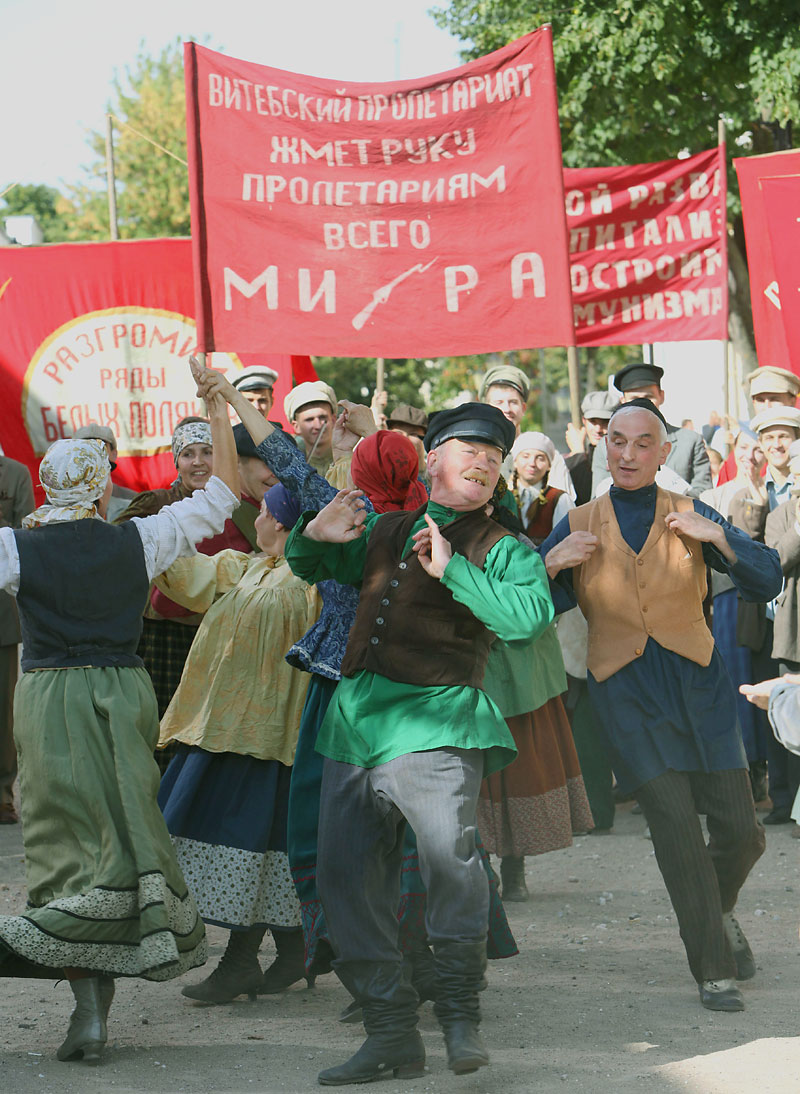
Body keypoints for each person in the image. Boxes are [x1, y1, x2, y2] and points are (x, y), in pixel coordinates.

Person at [285, 402, 555, 1082]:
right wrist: (315, 533)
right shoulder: (384, 528)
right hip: (356, 728)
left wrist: (453, 572)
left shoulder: (504, 548)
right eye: (469, 450)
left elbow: (528, 618)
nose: (484, 462)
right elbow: (312, 559)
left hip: (437, 724)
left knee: (452, 864)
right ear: (430, 460)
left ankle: (460, 1014)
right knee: (345, 882)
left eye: (494, 457)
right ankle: (390, 1033)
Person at [0, 366, 240, 1063]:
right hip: (125, 688)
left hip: (48, 696)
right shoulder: (141, 538)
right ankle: (121, 972)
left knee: (59, 842)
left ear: (46, 485)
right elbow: (222, 496)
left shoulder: (17, 547)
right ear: (102, 486)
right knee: (127, 833)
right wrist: (214, 408)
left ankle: (88, 1009)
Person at [541, 398, 782, 1013]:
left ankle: (719, 910)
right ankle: (713, 967)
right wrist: (547, 569)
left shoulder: (691, 510)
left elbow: (769, 578)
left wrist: (721, 537)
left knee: (741, 831)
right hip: (625, 690)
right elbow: (522, 608)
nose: (626, 454)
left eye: (641, 443)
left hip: (697, 684)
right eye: (616, 441)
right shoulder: (578, 520)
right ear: (603, 448)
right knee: (676, 826)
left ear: (664, 450)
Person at [155, 483, 322, 1003]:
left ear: (286, 523)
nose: (258, 521)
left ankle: (243, 961)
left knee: (261, 846)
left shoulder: (314, 580)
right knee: (257, 845)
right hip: (224, 727)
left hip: (275, 735)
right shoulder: (248, 565)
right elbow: (187, 576)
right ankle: (291, 949)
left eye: (266, 513)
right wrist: (155, 534)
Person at [729, 406, 800, 824]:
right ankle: (780, 796)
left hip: (796, 616)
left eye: (785, 436)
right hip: (766, 616)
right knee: (771, 696)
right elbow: (752, 551)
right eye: (769, 437)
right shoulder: (752, 491)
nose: (777, 445)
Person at [700, 429, 770, 800]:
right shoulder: (712, 496)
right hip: (729, 600)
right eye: (744, 448)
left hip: (770, 600)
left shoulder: (775, 491)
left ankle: (768, 771)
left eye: (758, 449)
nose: (751, 455)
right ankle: (746, 771)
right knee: (738, 682)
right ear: (733, 451)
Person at [592, 362, 711, 497]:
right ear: (623, 400)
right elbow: (597, 497)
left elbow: (705, 495)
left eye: (649, 397)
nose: (644, 404)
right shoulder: (605, 446)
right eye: (634, 398)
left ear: (661, 396)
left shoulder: (690, 441)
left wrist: (672, 498)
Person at [0, 452, 34, 824]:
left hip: (0, 611)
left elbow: (22, 533)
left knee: (2, 705)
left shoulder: (15, 473)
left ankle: (2, 792)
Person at [510, 432, 575, 544]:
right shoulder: (505, 497)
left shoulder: (559, 499)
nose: (532, 463)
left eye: (540, 458)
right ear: (515, 461)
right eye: (526, 456)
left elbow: (568, 542)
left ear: (549, 465)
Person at [564, 390, 619, 504]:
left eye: (605, 422)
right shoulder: (573, 458)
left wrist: (578, 452)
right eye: (593, 421)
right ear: (584, 421)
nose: (598, 429)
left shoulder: (624, 457)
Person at [73, 424, 136, 521]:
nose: (93, 452)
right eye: (84, 447)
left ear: (114, 454)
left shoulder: (133, 499)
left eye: (100, 446)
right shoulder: (58, 499)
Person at [284, 380, 338, 476]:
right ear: (296, 427)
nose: (317, 426)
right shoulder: (288, 467)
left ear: (333, 420)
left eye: (322, 418)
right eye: (309, 420)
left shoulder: (351, 460)